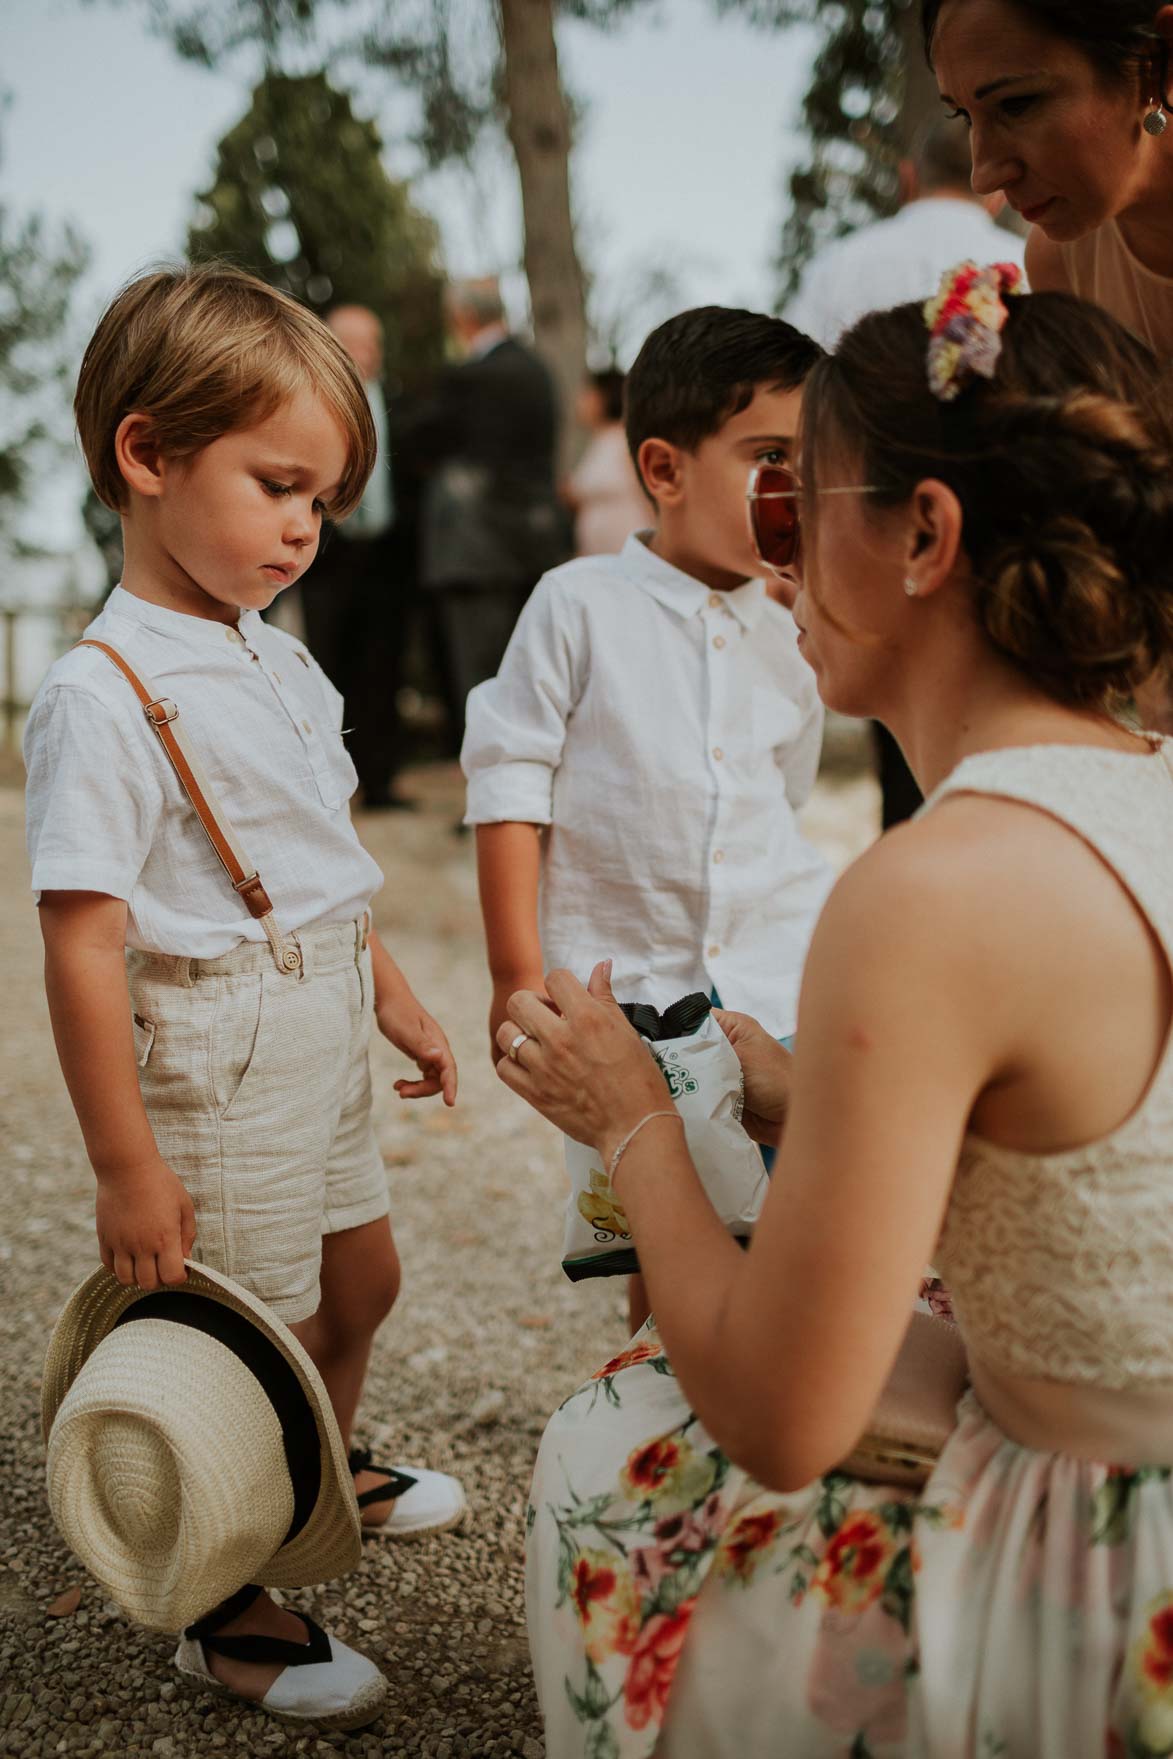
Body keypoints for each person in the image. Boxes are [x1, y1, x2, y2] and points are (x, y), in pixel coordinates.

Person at [496, 268, 1173, 1756]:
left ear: (923, 537)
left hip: (1110, 1584)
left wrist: (635, 1124)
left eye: (801, 515)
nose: (777, 565)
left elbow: (781, 1416)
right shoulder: (1151, 784)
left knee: (620, 1433)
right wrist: (811, 1094)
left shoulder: (924, 888)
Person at [23, 264, 466, 1730]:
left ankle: (309, 1475)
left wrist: (390, 989)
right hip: (217, 1043)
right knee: (243, 1316)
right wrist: (123, 1162)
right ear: (147, 456)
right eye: (279, 484)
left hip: (322, 1004)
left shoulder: (273, 650)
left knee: (362, 1280)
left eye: (325, 502)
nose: (302, 527)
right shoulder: (102, 690)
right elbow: (83, 940)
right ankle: (222, 1585)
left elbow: (314, 862)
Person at [464, 307, 834, 1334]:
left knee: (786, 1214)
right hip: (633, 997)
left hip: (773, 978)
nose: (795, 488)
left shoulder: (793, 628)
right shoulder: (578, 604)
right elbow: (507, 781)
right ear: (665, 469)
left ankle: (770, 1413)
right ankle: (660, 1425)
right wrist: (512, 970)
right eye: (770, 457)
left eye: (814, 462)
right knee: (661, 1223)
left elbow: (785, 794)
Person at [925, 0, 1173, 739]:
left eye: (1017, 103)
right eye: (966, 117)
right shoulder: (1060, 254)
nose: (983, 172)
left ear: (1157, 58)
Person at [787, 113, 1026, 828]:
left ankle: (913, 839)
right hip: (1002, 512)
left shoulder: (841, 264)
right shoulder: (1020, 257)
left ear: (908, 177)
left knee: (899, 711)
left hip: (871, 511)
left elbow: (796, 394)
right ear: (988, 188)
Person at [403, 277, 569, 754]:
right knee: (535, 676)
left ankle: (493, 799)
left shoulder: (469, 378)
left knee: (482, 682)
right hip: (534, 547)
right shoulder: (536, 371)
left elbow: (420, 439)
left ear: (462, 318)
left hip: (475, 550)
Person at [298, 304, 413, 811]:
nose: (366, 353)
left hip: (388, 558)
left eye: (372, 343)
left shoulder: (401, 404)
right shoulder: (309, 404)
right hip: (328, 556)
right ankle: (331, 788)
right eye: (354, 342)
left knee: (383, 669)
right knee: (326, 668)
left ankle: (382, 784)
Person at [562, 368, 648, 556]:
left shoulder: (624, 441)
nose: (581, 401)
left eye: (588, 394)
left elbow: (646, 494)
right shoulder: (599, 441)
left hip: (626, 544)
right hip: (598, 550)